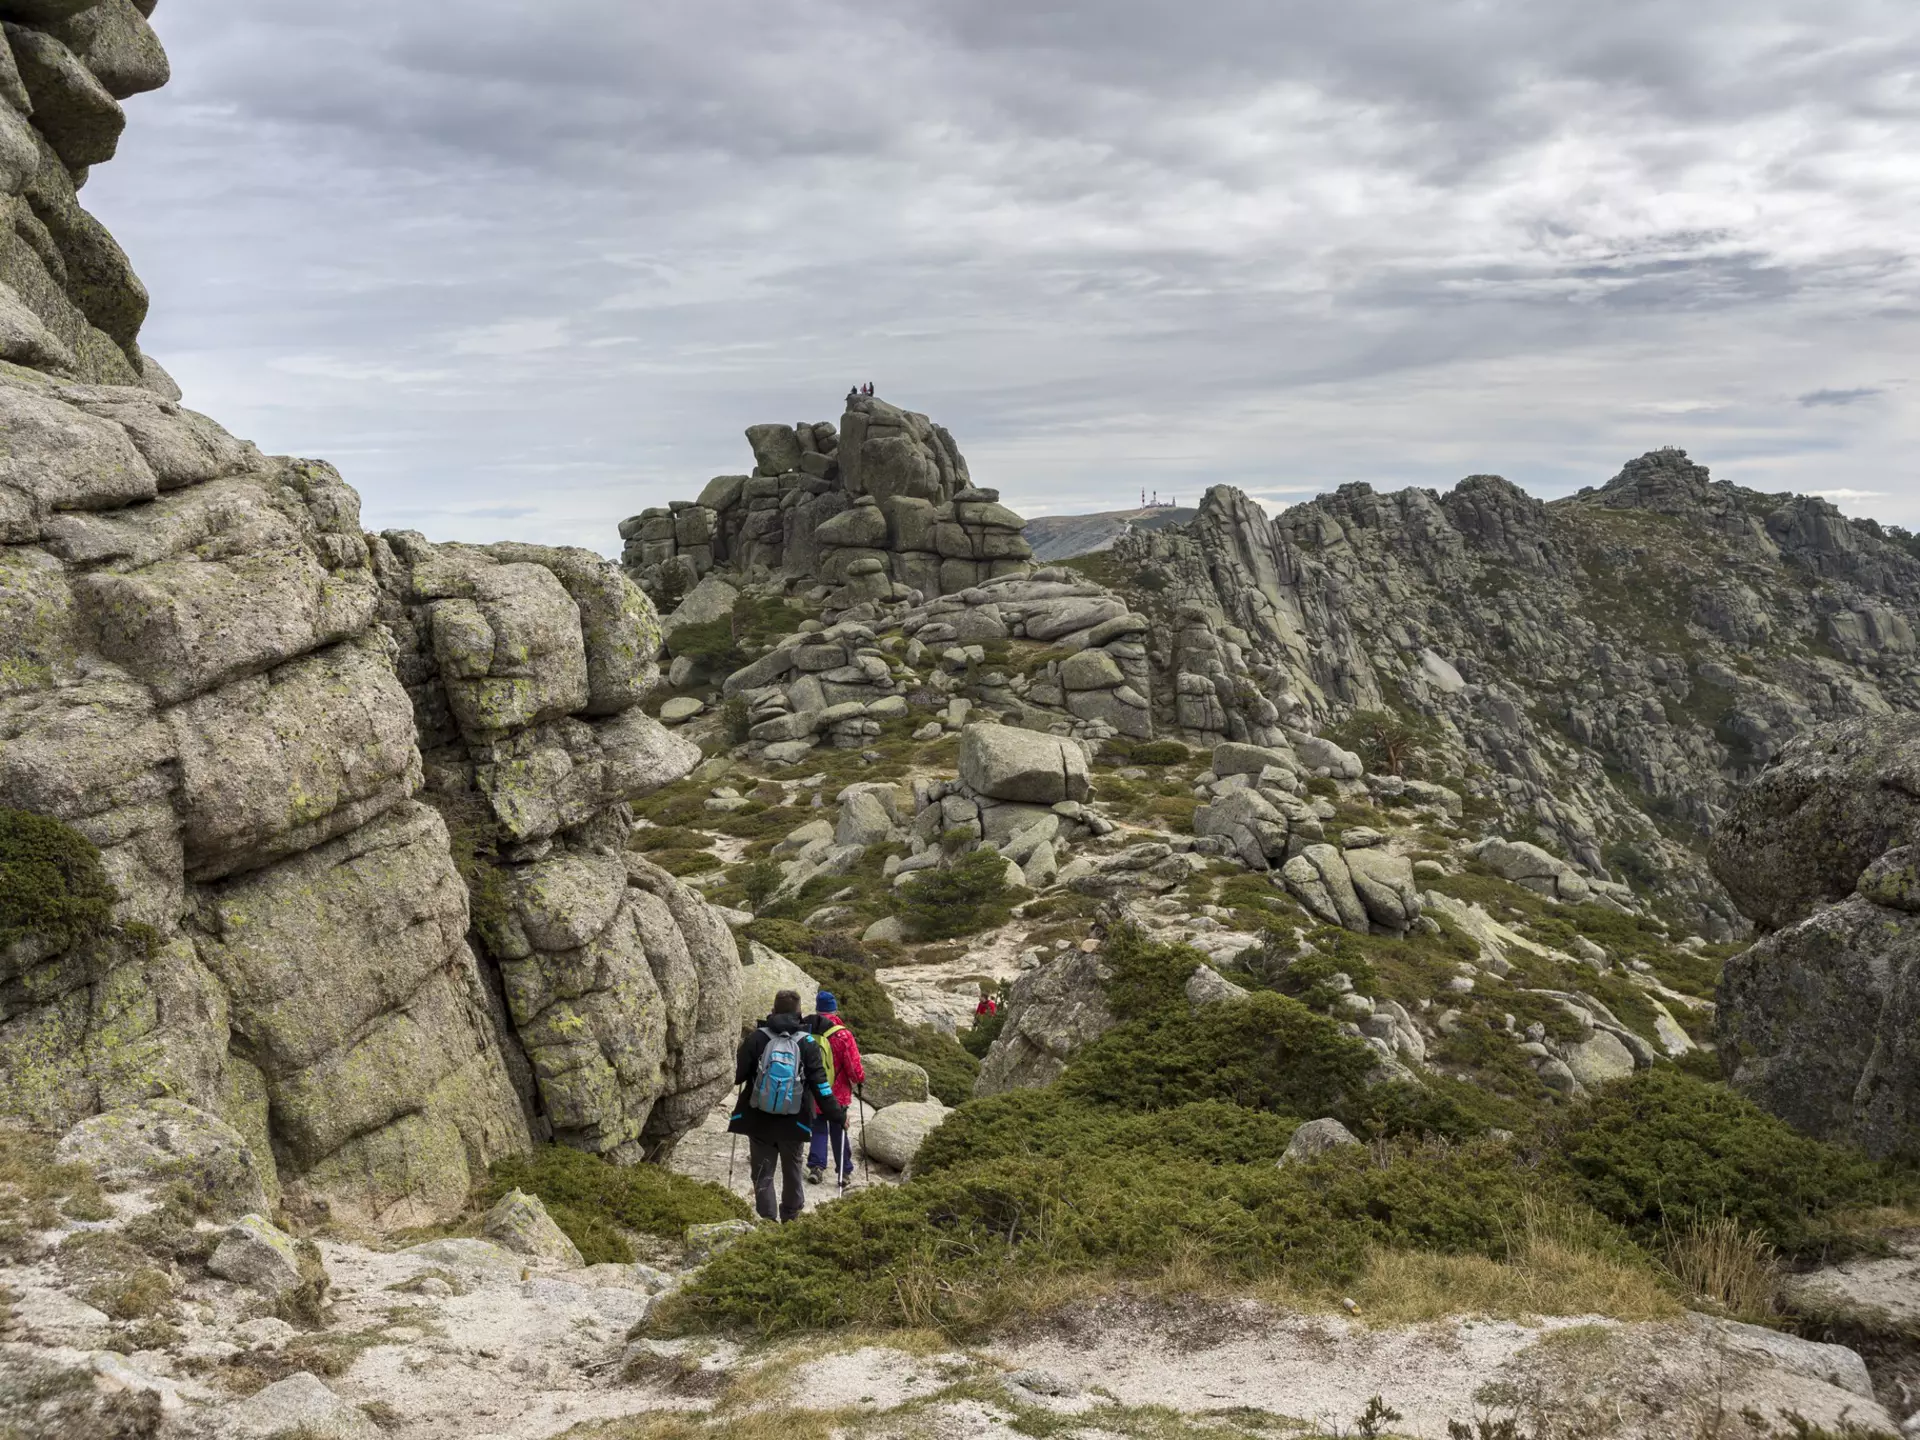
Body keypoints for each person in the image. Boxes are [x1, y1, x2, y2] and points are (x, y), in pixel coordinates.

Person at [729, 989, 841, 1222]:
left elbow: (737, 1076)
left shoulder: (757, 1038)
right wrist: (837, 1115)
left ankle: (767, 1220)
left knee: (763, 1173)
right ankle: (791, 1217)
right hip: (795, 1120)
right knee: (792, 1170)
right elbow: (820, 1084)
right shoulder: (807, 1042)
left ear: (773, 1009)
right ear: (799, 1012)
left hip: (759, 1117)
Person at [805, 990, 866, 1186]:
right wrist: (859, 1078)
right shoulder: (842, 1034)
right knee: (839, 1128)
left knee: (819, 1128)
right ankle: (844, 1171)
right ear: (835, 1009)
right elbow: (853, 1067)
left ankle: (816, 1167)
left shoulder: (807, 1030)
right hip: (837, 1093)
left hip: (814, 1090)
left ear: (817, 1009)